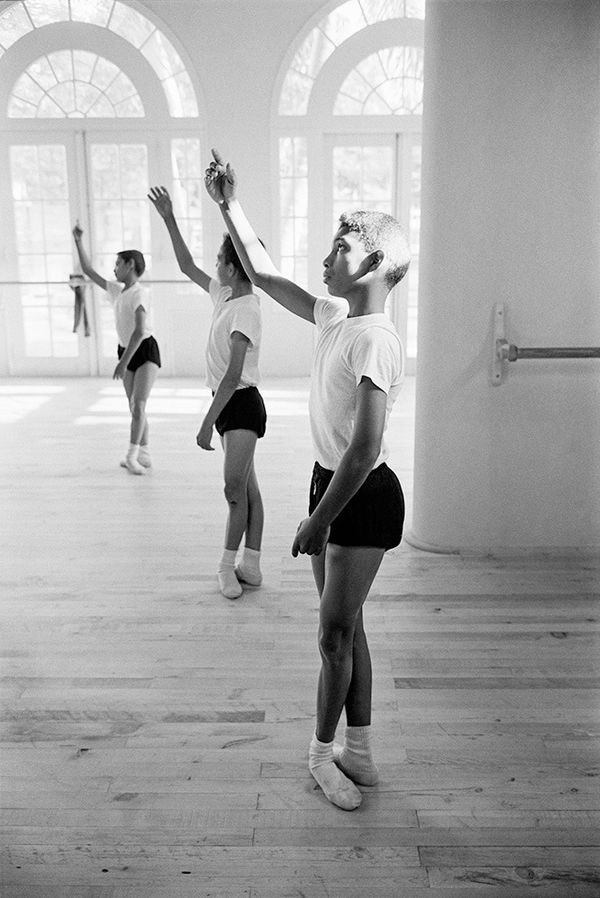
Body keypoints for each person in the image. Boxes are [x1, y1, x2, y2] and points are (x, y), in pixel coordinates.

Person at [204, 149, 409, 810]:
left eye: (340, 246)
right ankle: (363, 754)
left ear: (374, 263)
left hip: (359, 495)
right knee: (347, 629)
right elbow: (262, 272)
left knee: (333, 636)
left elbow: (366, 445)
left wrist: (319, 521)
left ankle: (321, 755)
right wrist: (228, 203)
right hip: (330, 487)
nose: (326, 257)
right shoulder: (334, 317)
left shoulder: (374, 336)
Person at [148, 186, 266, 601]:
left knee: (234, 490)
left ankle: (227, 566)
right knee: (247, 488)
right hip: (228, 403)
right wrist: (168, 218)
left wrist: (203, 425)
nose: (214, 265)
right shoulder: (224, 293)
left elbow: (233, 378)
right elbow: (185, 265)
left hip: (241, 405)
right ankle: (251, 563)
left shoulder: (247, 308)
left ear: (235, 268)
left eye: (220, 260)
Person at [72, 225, 161, 475]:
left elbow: (140, 330)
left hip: (144, 351)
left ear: (130, 265)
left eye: (117, 264)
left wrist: (123, 363)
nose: (114, 269)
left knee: (139, 404)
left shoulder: (139, 293)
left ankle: (131, 457)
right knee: (134, 407)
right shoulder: (118, 290)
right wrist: (78, 240)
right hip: (127, 351)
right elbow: (89, 271)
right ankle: (144, 453)